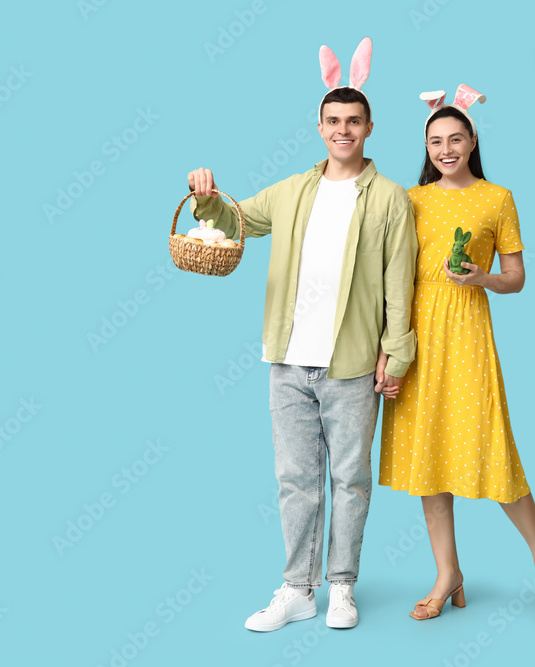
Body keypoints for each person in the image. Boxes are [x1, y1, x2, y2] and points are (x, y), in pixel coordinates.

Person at [187, 37, 417, 632]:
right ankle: (297, 588)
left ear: (369, 127)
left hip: (353, 364)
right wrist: (204, 195)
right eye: (333, 121)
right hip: (288, 360)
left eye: (353, 121)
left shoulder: (390, 199)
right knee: (296, 480)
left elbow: (400, 285)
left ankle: (340, 587)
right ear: (319, 127)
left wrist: (396, 353)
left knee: (350, 479)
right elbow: (235, 218)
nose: (343, 130)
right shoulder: (292, 191)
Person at [377, 84, 535, 619]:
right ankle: (448, 573)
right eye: (435, 140)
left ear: (472, 141)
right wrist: (389, 351)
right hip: (417, 340)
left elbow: (517, 279)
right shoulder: (410, 200)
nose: (445, 149)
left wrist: (482, 277)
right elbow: (391, 279)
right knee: (429, 461)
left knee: (494, 453)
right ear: (426, 147)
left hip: (467, 337)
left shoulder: (498, 198)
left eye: (455, 139)